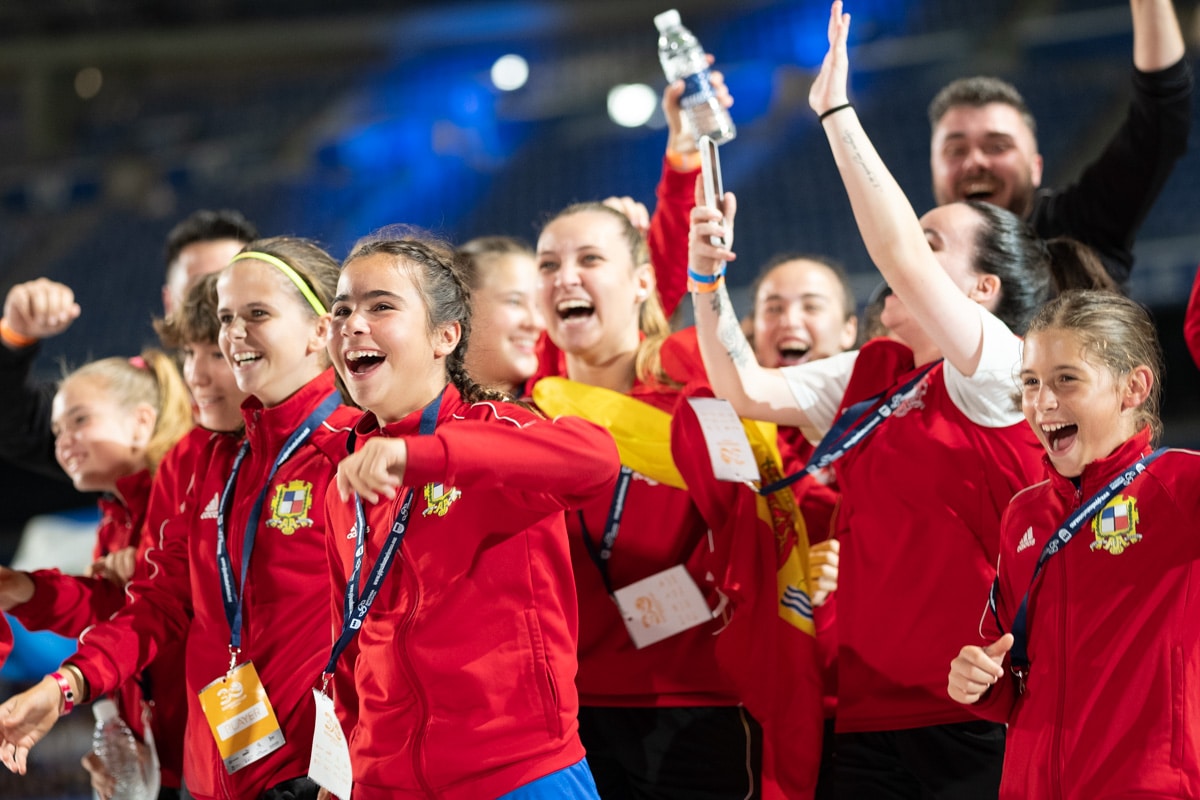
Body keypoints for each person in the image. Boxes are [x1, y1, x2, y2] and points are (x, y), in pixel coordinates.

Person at [688, 4, 1107, 795]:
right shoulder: (875, 369)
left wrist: (836, 112)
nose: (907, 253)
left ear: (982, 290)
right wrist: (705, 279)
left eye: (931, 241)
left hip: (980, 704)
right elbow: (741, 387)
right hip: (869, 712)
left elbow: (896, 255)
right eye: (914, 237)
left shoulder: (1000, 367)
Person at [0, 236, 359, 800]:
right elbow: (159, 603)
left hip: (319, 776)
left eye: (257, 314)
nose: (233, 334)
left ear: (321, 331)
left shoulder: (360, 448)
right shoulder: (215, 460)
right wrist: (65, 686)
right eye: (226, 319)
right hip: (213, 772)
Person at [531, 200, 823, 799]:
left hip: (692, 708)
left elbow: (748, 538)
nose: (565, 277)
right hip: (562, 716)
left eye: (590, 259)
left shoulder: (699, 389)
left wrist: (624, 624)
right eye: (548, 264)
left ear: (643, 282)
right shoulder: (529, 413)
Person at [320, 231, 618, 798]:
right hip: (384, 782)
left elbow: (597, 461)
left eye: (381, 306)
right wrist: (342, 772)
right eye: (342, 309)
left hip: (516, 774)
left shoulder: (497, 430)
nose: (353, 324)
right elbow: (352, 641)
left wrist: (423, 457)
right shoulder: (348, 476)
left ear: (445, 335)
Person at [947, 289, 1200, 798]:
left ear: (1133, 387)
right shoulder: (1024, 513)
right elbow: (1010, 669)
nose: (1042, 402)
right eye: (1031, 382)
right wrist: (979, 682)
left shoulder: (1184, 488)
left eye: (1066, 379)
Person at [0, 346, 193, 798]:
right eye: (57, 430)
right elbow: (110, 614)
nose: (63, 440)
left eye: (80, 420)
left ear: (141, 422)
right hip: (162, 758)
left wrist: (65, 687)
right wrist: (21, 589)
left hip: (208, 750)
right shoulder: (115, 518)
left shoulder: (184, 497)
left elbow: (161, 613)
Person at [927, 0, 1191, 286]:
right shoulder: (912, 264)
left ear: (1036, 168)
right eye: (955, 150)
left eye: (997, 147)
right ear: (933, 169)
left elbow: (1161, 117)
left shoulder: (1079, 228)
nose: (975, 161)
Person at [0, 208, 258, 480]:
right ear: (168, 303)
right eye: (199, 288)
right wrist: (15, 335)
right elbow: (18, 426)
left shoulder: (282, 390)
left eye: (228, 283)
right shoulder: (136, 392)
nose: (215, 302)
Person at [456, 235, 544, 396]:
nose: (536, 323)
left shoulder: (558, 405)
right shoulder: (417, 405)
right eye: (515, 302)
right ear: (462, 306)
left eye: (539, 306)